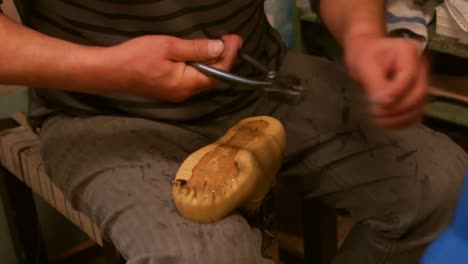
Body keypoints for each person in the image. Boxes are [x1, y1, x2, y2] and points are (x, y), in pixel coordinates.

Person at [1, 0, 467, 263]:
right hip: (100, 110)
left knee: (446, 189)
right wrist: (107, 69)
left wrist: (365, 36)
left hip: (261, 77)